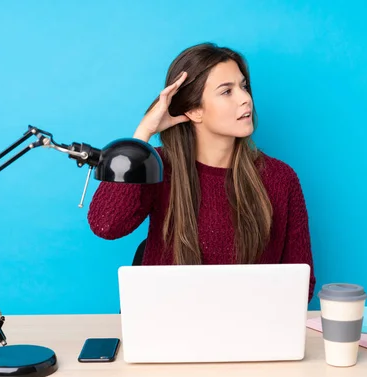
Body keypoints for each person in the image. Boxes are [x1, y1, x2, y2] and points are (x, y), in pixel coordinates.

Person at [87, 42, 316, 302]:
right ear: (194, 110)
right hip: (167, 327)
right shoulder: (157, 166)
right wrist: (142, 136)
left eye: (243, 86)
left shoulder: (280, 178)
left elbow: (301, 282)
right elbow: (106, 224)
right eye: (226, 91)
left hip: (251, 332)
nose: (245, 99)